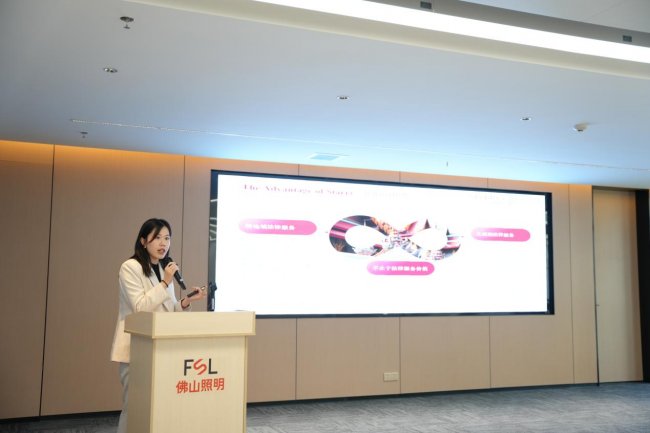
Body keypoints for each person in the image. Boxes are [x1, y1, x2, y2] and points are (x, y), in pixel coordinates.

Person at [110, 218, 206, 433]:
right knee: (135, 408)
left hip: (162, 349)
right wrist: (165, 282)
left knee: (161, 407)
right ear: (143, 241)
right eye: (157, 238)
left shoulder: (163, 270)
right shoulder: (130, 267)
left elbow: (167, 310)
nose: (164, 243)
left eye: (167, 238)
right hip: (137, 349)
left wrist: (186, 302)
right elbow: (140, 307)